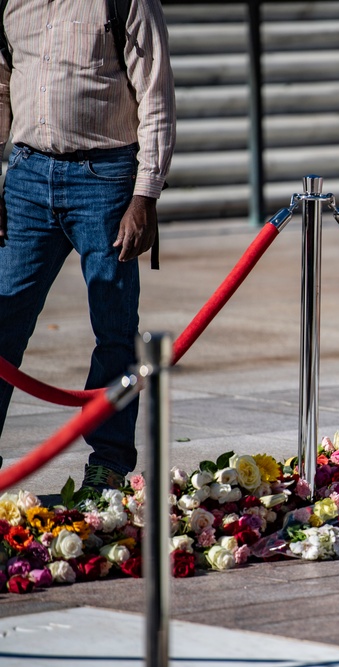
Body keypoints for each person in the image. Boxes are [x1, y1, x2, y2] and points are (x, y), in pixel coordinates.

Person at [0, 0, 176, 488]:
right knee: (4, 320)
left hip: (105, 179)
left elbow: (155, 93)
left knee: (115, 328)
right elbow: (1, 85)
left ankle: (109, 464)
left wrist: (145, 195)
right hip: (27, 176)